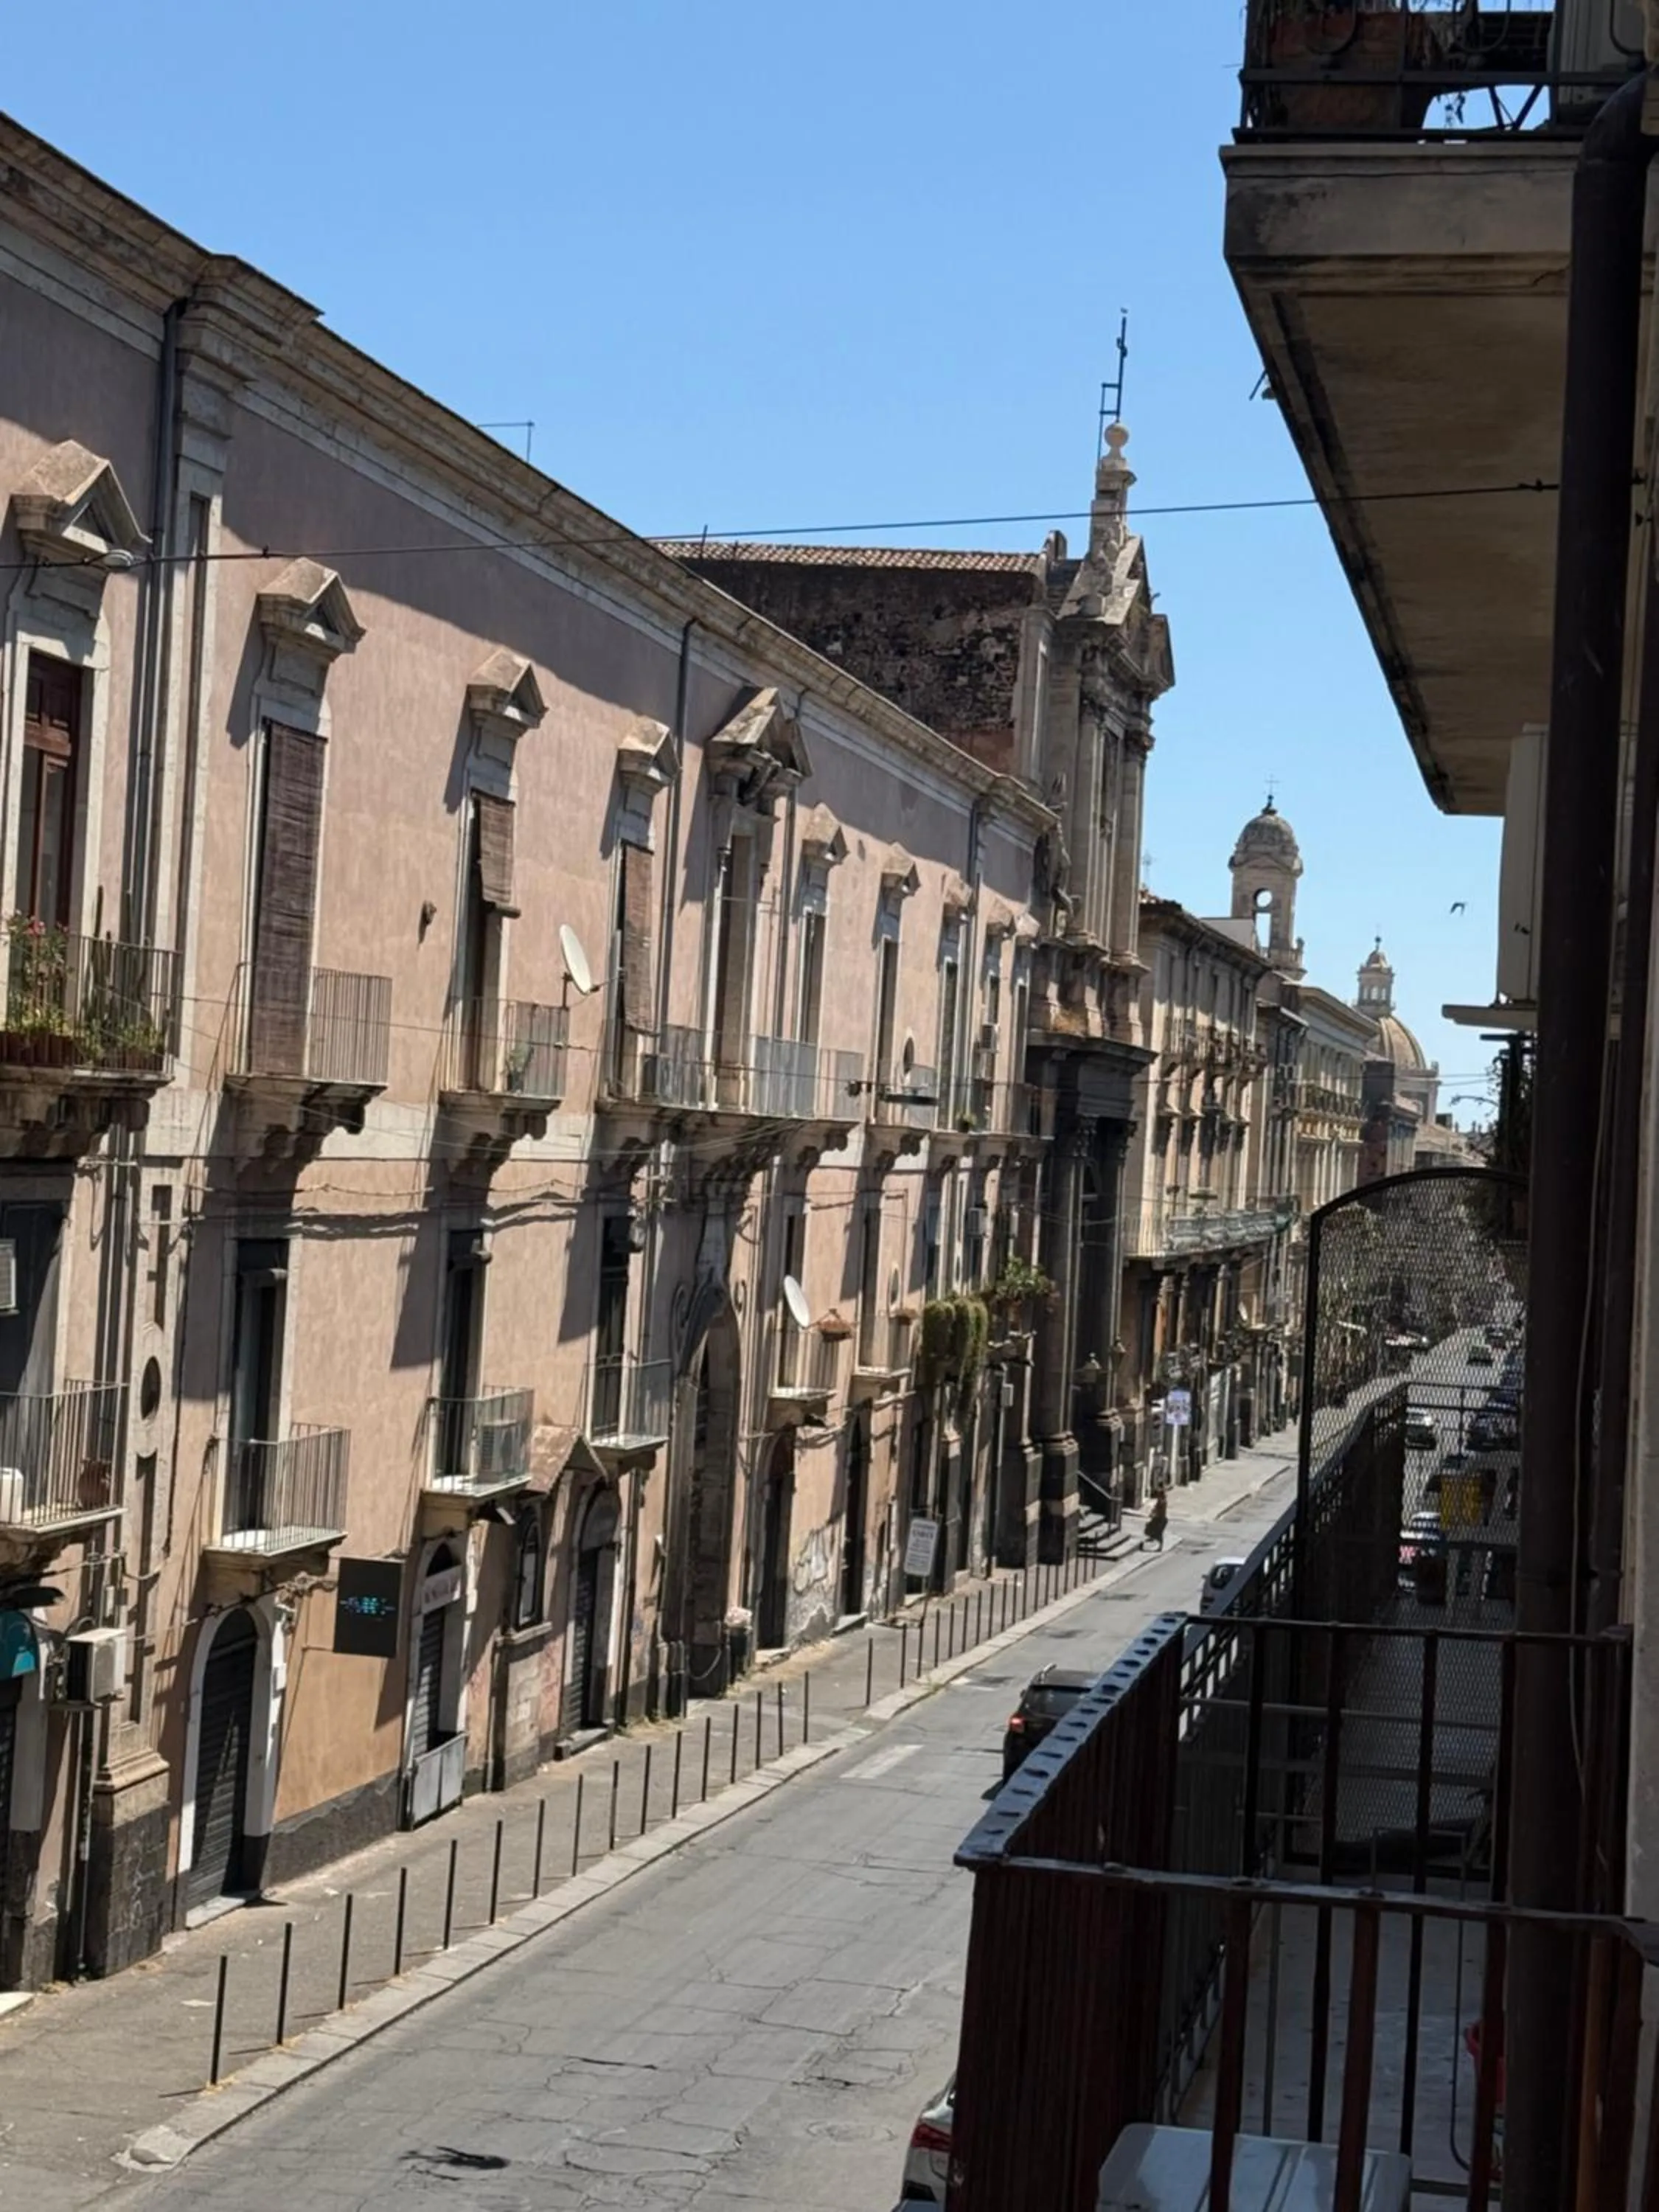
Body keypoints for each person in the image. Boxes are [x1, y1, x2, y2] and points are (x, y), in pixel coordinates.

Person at [1144, 1486, 1169, 1553]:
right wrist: (1152, 1513)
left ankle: (1160, 1546)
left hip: (1161, 1519)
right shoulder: (1159, 1501)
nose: (1157, 1496)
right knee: (1149, 1528)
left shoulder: (1163, 1502)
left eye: (1158, 1495)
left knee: (1159, 1533)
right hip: (1158, 1518)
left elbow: (1160, 1511)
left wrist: (1154, 1513)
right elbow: (1155, 1508)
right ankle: (1152, 1538)